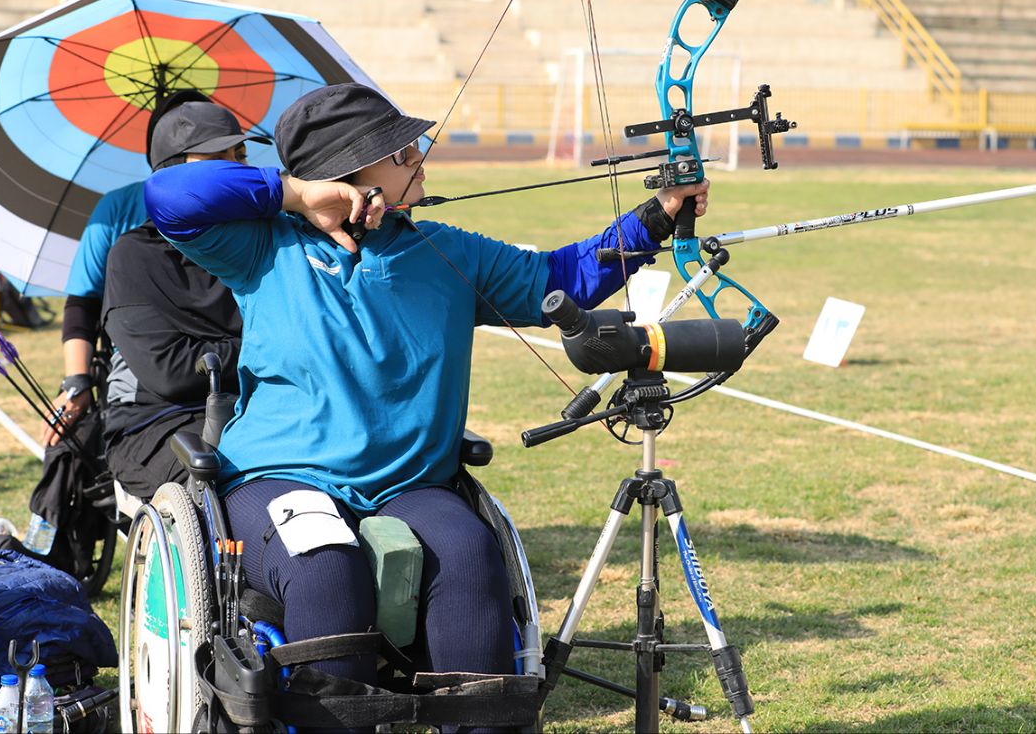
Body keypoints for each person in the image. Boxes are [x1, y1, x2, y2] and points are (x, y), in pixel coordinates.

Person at [143, 83, 709, 692]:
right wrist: (298, 194)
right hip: (281, 476)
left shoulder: (448, 253)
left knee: (469, 555)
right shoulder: (262, 246)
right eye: (400, 150)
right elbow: (168, 195)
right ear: (350, 174)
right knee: (325, 569)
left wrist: (659, 217)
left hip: (410, 485)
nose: (419, 155)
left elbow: (562, 275)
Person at [100, 101, 269, 498]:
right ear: (172, 176)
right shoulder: (135, 254)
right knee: (245, 492)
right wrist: (272, 350)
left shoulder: (264, 238)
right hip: (158, 423)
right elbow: (171, 372)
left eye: (241, 156)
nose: (237, 170)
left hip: (257, 410)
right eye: (217, 158)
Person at [41, 90, 213, 446]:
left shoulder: (244, 208)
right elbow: (83, 303)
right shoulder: (116, 209)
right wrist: (77, 381)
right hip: (141, 369)